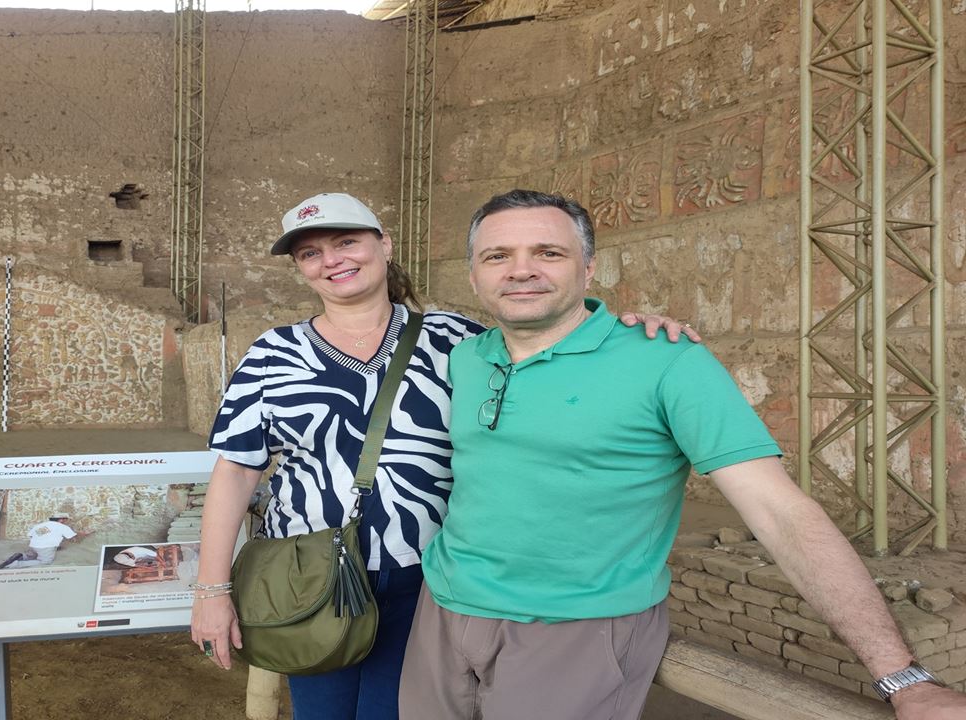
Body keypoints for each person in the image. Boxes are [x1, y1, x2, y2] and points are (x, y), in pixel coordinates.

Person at [399, 189, 966, 720]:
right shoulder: (465, 356)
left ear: (589, 268)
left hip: (576, 627)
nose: (521, 269)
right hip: (443, 611)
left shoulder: (667, 360)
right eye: (497, 256)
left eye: (548, 252)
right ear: (473, 275)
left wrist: (904, 678)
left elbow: (780, 512)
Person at [190, 192, 697, 720]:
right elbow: (237, 470)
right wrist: (211, 589)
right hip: (309, 578)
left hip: (428, 582)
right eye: (310, 253)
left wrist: (634, 333)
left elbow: (555, 345)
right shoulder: (273, 354)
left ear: (385, 246)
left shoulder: (459, 341)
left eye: (346, 242)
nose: (332, 260)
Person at [0, 512, 90, 570]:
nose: (66, 521)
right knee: (45, 561)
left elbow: (31, 535)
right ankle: (17, 564)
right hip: (45, 548)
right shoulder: (62, 526)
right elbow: (73, 536)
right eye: (66, 520)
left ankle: (22, 556)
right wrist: (85, 534)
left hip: (33, 545)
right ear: (61, 519)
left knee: (32, 555)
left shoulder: (42, 525)